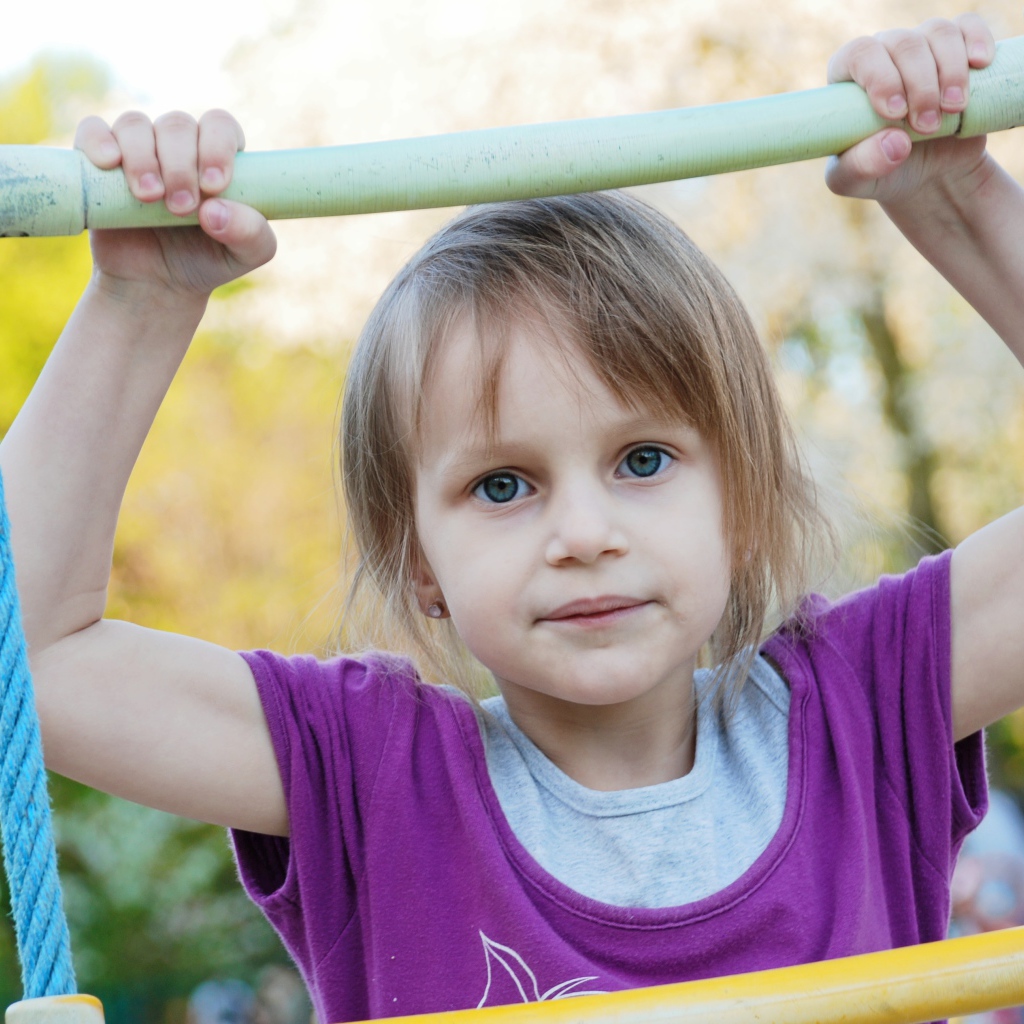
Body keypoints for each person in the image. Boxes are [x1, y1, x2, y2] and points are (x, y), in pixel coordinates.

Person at [1, 14, 1020, 1023]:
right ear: (417, 565)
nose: (582, 533)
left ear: (742, 504)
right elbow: (30, 655)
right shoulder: (375, 775)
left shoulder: (862, 709)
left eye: (643, 460)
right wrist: (138, 306)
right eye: (501, 485)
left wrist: (956, 200)